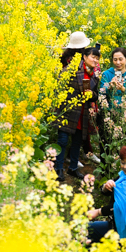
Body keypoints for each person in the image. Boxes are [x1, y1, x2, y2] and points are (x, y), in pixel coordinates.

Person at [53, 40, 100, 182]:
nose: (95, 60)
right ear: (84, 57)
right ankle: (58, 169)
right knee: (62, 140)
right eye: (93, 57)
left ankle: (73, 168)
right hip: (67, 111)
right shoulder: (71, 69)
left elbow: (95, 94)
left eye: (97, 58)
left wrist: (92, 95)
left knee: (77, 141)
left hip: (82, 113)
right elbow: (59, 87)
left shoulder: (95, 76)